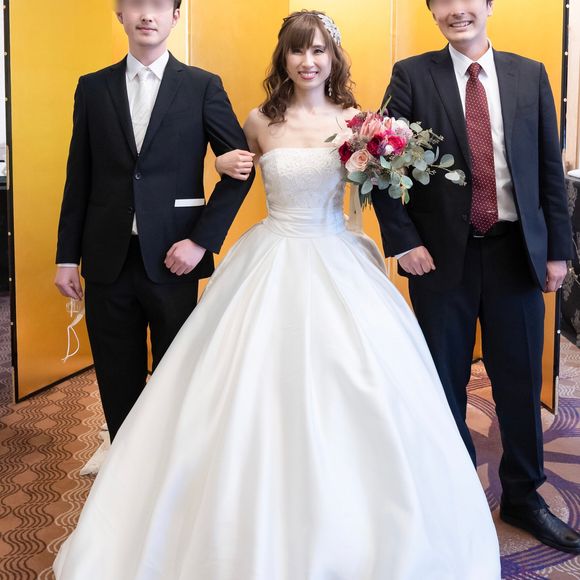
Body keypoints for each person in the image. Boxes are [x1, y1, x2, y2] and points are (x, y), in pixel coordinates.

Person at [54, 11, 501, 579]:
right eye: (297, 51)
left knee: (360, 383)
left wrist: (403, 244)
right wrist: (210, 209)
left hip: (338, 258)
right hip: (270, 256)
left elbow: (385, 192)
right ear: (283, 59)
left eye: (318, 51)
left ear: (333, 59)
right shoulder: (259, 121)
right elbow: (232, 179)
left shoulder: (359, 123)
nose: (307, 61)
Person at [371, 0, 580, 555]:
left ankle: (523, 495)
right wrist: (404, 241)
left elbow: (549, 170)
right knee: (444, 381)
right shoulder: (412, 76)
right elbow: (379, 162)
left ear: (488, 5)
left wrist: (558, 250)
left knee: (519, 381)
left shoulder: (530, 74)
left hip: (515, 252)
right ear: (431, 10)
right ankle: (455, 491)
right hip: (441, 259)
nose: (456, 10)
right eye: (442, 0)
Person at [54, 0, 253, 441]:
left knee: (175, 375)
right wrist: (66, 257)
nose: (147, 14)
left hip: (174, 257)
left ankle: (166, 462)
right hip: (106, 258)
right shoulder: (92, 88)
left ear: (175, 16)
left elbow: (242, 170)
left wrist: (200, 242)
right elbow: (78, 176)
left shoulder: (202, 86)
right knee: (115, 374)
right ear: (119, 14)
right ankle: (124, 458)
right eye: (136, 5)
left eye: (160, 5)